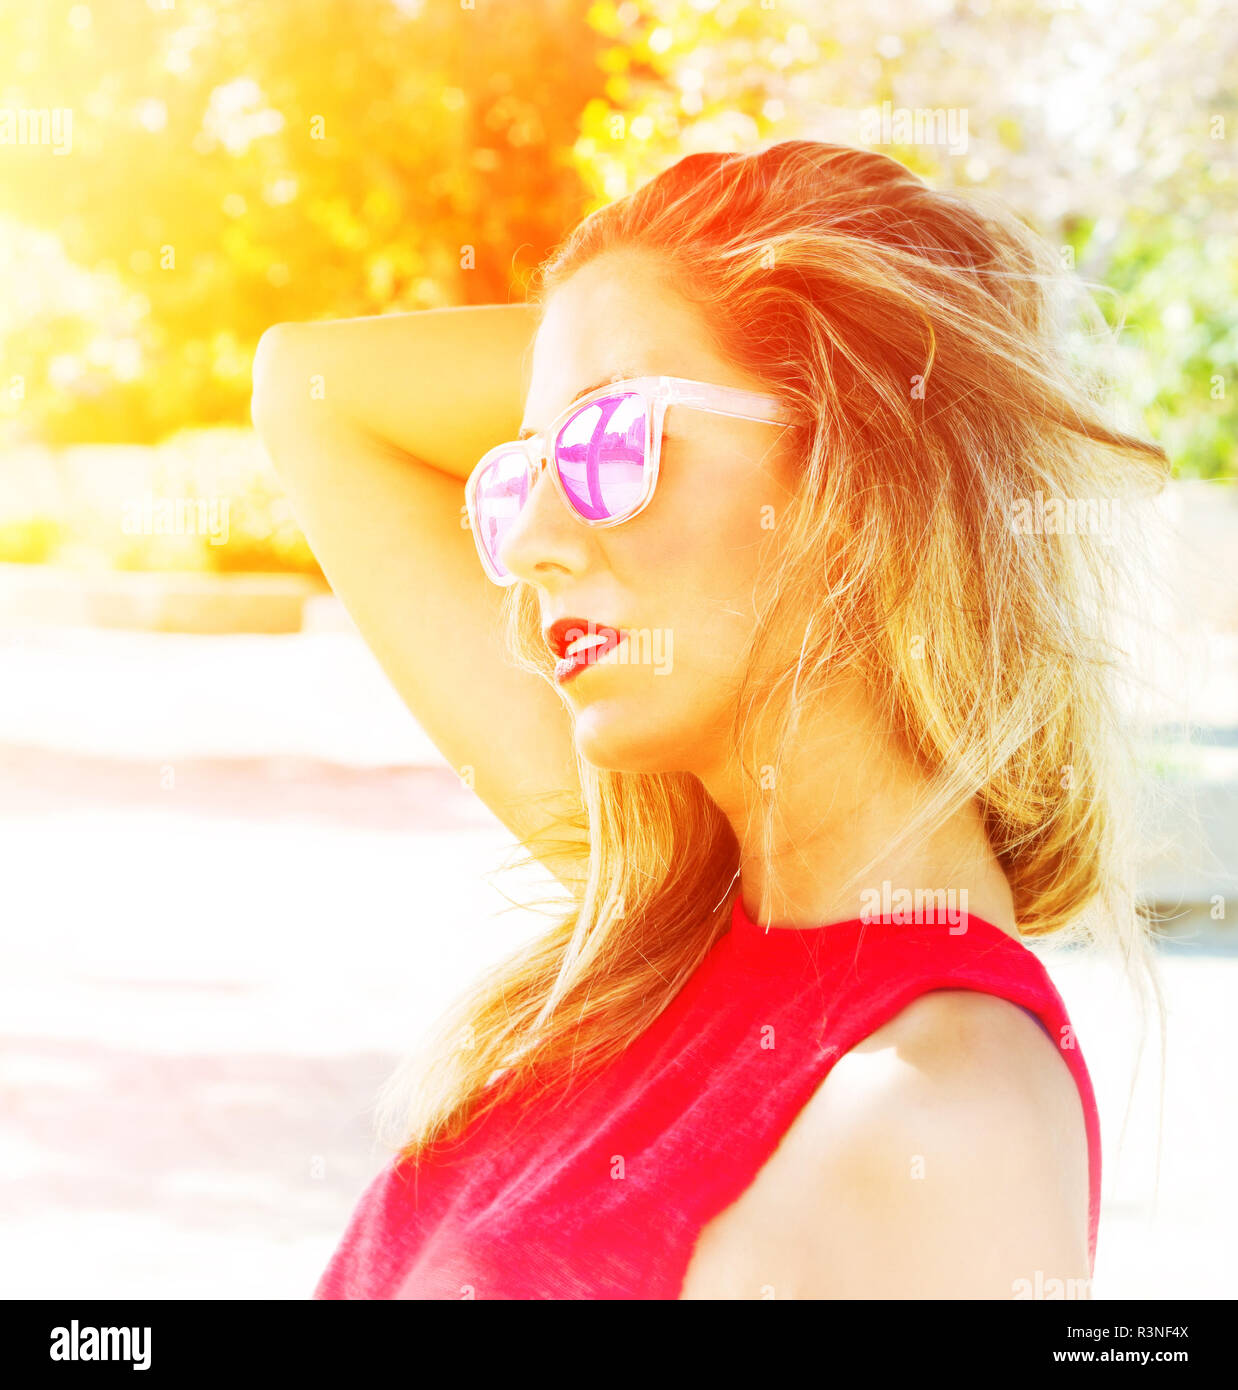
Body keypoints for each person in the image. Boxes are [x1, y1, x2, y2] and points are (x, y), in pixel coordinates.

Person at [250, 140, 1169, 1299]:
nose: (530, 543)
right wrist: (596, 365)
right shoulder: (666, 925)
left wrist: (892, 364)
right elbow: (312, 392)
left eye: (609, 446)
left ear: (848, 466)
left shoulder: (941, 1112)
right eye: (518, 473)